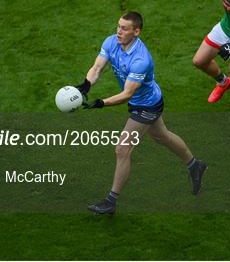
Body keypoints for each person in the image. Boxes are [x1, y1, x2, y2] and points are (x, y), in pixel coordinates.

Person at [75, 11, 207, 215]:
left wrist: (101, 103)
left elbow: (127, 93)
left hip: (147, 106)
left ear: (136, 32)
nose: (119, 31)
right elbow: (97, 67)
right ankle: (194, 165)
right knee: (162, 136)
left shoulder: (141, 59)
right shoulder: (111, 42)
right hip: (143, 102)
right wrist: (86, 84)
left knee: (122, 149)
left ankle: (111, 201)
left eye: (124, 28)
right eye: (118, 26)